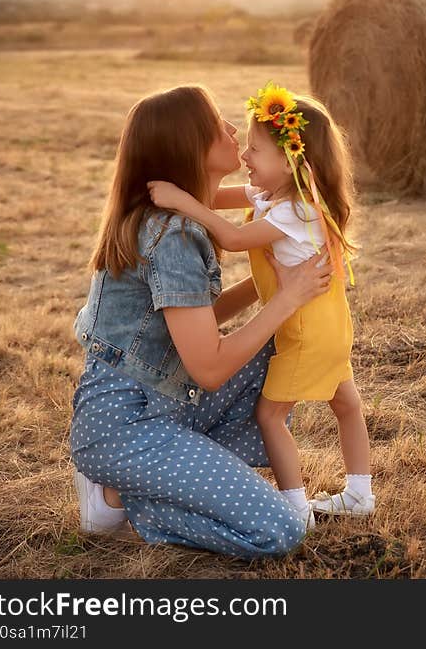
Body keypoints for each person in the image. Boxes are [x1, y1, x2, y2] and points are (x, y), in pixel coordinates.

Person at [69, 84, 333, 559]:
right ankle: (121, 496)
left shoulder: (172, 217)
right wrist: (287, 299)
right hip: (128, 422)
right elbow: (210, 367)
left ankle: (166, 474)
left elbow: (194, 325)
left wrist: (267, 286)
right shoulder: (170, 234)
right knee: (279, 532)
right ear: (188, 144)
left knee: (288, 353)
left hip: (171, 403)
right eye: (218, 125)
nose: (233, 130)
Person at [147, 83, 374, 530]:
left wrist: (179, 202)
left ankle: (295, 508)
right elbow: (213, 199)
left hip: (307, 333)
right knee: (346, 405)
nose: (245, 157)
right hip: (331, 326)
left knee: (270, 415)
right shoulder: (277, 196)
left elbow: (231, 239)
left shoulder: (295, 212)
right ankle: (360, 493)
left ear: (290, 163)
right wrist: (185, 189)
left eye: (254, 149)